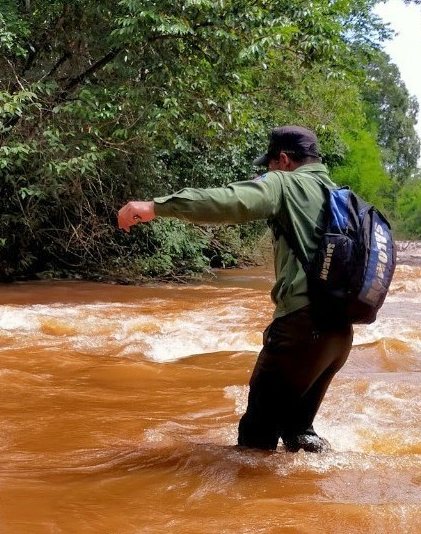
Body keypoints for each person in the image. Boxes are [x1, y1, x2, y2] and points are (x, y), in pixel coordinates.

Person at [117, 126, 354, 452]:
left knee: (255, 442)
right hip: (339, 335)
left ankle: (252, 504)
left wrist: (158, 206)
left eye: (269, 165)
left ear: (283, 159)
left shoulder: (285, 182)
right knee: (299, 435)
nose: (267, 171)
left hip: (301, 327)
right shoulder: (342, 195)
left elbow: (232, 201)